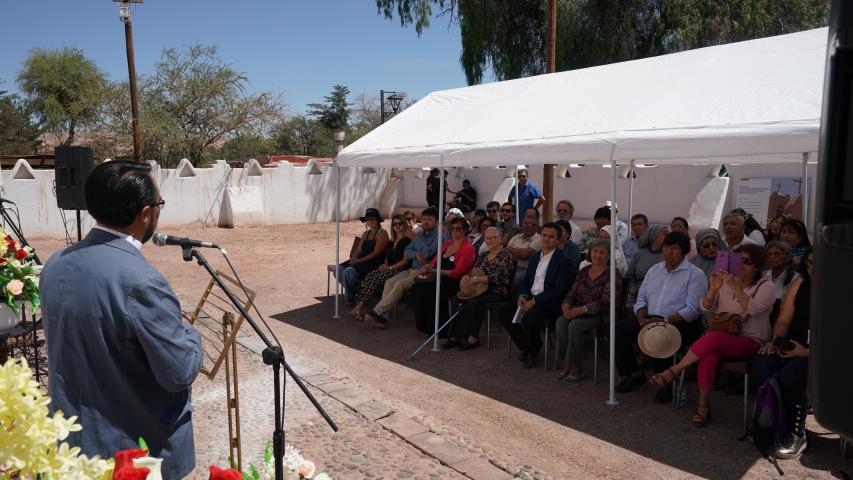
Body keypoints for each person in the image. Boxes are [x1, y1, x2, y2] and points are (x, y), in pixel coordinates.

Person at [41, 161, 202, 479]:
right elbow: (179, 373)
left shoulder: (56, 262)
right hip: (132, 454)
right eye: (158, 206)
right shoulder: (141, 281)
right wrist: (188, 330)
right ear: (145, 213)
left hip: (71, 443)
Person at [651, 244, 774, 427]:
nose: (741, 265)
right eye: (737, 260)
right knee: (708, 355)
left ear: (757, 266)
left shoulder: (766, 286)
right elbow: (704, 307)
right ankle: (703, 406)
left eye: (747, 261)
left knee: (713, 338)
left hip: (751, 340)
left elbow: (753, 308)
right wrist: (713, 289)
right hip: (722, 338)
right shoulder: (724, 282)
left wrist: (734, 287)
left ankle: (674, 371)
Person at [615, 231, 708, 399]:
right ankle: (633, 373)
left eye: (674, 249)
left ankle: (665, 381)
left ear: (684, 251)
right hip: (651, 317)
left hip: (679, 322)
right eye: (665, 248)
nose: (668, 253)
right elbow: (641, 298)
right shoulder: (654, 270)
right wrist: (640, 315)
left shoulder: (695, 274)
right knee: (618, 330)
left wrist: (666, 320)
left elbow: (693, 309)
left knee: (660, 336)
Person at [752, 249, 813, 460]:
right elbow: (784, 320)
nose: (813, 268)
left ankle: (796, 433)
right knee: (762, 362)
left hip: (819, 354)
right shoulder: (800, 284)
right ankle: (768, 424)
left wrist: (806, 352)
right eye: (810, 263)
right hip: (790, 345)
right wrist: (775, 342)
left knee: (793, 372)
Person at [500, 222, 573, 369]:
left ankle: (532, 349)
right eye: (544, 235)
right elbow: (526, 281)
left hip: (550, 302)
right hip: (531, 297)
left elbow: (558, 290)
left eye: (551, 237)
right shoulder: (534, 258)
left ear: (558, 240)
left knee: (529, 317)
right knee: (503, 312)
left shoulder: (564, 261)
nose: (546, 239)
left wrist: (534, 301)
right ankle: (529, 346)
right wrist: (522, 295)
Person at [556, 239, 623, 383]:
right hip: (578, 310)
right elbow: (572, 293)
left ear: (609, 255)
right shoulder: (584, 271)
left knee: (575, 325)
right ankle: (569, 362)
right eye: (595, 251)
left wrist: (583, 309)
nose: (598, 255)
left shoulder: (612, 273)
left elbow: (607, 302)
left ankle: (574, 367)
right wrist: (566, 305)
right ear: (590, 253)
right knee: (561, 322)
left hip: (602, 314)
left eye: (602, 252)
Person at [366, 207, 439, 328]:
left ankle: (377, 311)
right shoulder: (420, 234)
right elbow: (407, 251)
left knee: (400, 284)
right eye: (424, 219)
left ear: (436, 221)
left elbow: (427, 253)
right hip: (412, 269)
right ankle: (383, 317)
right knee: (389, 282)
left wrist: (416, 241)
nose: (425, 222)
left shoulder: (438, 237)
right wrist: (415, 253)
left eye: (429, 219)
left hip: (426, 272)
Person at [446, 227, 514, 350]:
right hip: (478, 289)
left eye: (493, 238)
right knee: (457, 298)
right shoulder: (483, 255)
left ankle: (473, 338)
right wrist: (467, 277)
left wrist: (477, 279)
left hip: (497, 291)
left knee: (474, 302)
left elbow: (500, 276)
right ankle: (456, 336)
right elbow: (473, 272)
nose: (489, 241)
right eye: (487, 238)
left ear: (499, 239)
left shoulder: (506, 255)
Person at [412, 216, 477, 335]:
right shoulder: (447, 244)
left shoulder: (468, 249)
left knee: (430, 291)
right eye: (452, 229)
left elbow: (457, 272)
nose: (454, 231)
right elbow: (434, 262)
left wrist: (437, 271)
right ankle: (424, 325)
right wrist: (428, 267)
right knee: (418, 288)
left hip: (455, 281)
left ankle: (440, 329)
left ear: (465, 230)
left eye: (458, 229)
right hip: (440, 276)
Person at [351, 215, 412, 320]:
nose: (397, 226)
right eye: (394, 224)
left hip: (400, 269)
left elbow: (405, 261)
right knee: (370, 275)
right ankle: (361, 307)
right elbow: (388, 257)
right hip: (390, 268)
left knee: (375, 278)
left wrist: (389, 268)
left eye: (400, 224)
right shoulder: (392, 242)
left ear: (404, 225)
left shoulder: (407, 241)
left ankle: (359, 307)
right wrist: (385, 264)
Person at [334, 208, 390, 305]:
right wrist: (353, 258)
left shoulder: (382, 233)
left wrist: (358, 261)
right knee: (337, 269)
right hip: (360, 261)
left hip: (373, 263)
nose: (370, 221)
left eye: (372, 219)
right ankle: (358, 290)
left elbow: (376, 253)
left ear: (377, 220)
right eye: (368, 219)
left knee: (348, 272)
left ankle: (350, 299)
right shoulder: (366, 233)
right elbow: (359, 249)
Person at [624, 224, 668, 310]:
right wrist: (633, 288)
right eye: (664, 233)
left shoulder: (667, 255)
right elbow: (630, 275)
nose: (668, 236)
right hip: (636, 296)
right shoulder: (639, 253)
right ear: (653, 235)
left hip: (658, 298)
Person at [764, 240, 802, 325]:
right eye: (769, 254)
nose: (772, 257)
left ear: (788, 257)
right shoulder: (762, 276)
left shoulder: (796, 279)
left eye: (777, 254)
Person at [507, 216, 542, 287]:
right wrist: (520, 251)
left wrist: (512, 249)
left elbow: (524, 255)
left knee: (516, 279)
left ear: (536, 227)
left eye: (531, 224)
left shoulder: (539, 239)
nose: (527, 226)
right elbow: (506, 251)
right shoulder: (516, 237)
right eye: (525, 223)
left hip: (526, 269)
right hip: (510, 267)